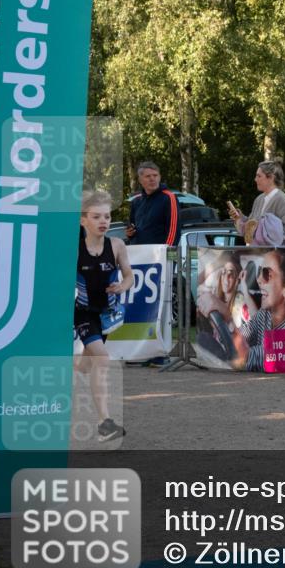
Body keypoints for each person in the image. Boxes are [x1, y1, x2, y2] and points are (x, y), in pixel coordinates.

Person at [76, 190, 134, 441]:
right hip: (82, 312)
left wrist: (123, 285)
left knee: (87, 366)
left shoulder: (117, 245)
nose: (103, 222)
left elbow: (129, 275)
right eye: (96, 216)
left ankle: (75, 366)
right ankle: (104, 424)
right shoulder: (74, 247)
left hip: (107, 313)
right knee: (102, 359)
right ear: (83, 220)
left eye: (107, 217)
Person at [231, 249, 285, 372]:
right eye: (259, 271)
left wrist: (223, 313)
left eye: (267, 274)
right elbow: (243, 334)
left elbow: (244, 358)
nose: (259, 279)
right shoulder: (265, 314)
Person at [228, 160, 285, 247]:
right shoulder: (259, 199)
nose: (255, 179)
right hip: (262, 257)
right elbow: (251, 227)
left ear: (271, 178)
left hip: (281, 257)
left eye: (259, 176)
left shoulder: (282, 200)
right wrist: (239, 218)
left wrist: (262, 232)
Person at [126, 161, 178, 245]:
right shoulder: (136, 201)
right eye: (148, 176)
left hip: (159, 254)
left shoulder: (169, 197)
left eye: (155, 175)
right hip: (138, 253)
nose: (152, 179)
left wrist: (165, 252)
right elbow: (133, 230)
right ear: (140, 180)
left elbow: (174, 231)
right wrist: (130, 234)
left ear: (160, 177)